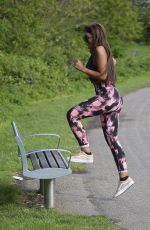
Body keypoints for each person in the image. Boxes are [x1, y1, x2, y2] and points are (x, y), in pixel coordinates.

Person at [66, 23, 134, 197]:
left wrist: (82, 68)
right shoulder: (101, 50)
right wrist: (110, 63)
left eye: (87, 37)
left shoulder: (99, 49)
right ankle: (125, 178)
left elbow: (103, 76)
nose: (85, 41)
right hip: (111, 98)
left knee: (73, 114)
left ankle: (86, 152)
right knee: (112, 140)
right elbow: (111, 64)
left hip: (106, 98)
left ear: (95, 36)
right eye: (84, 38)